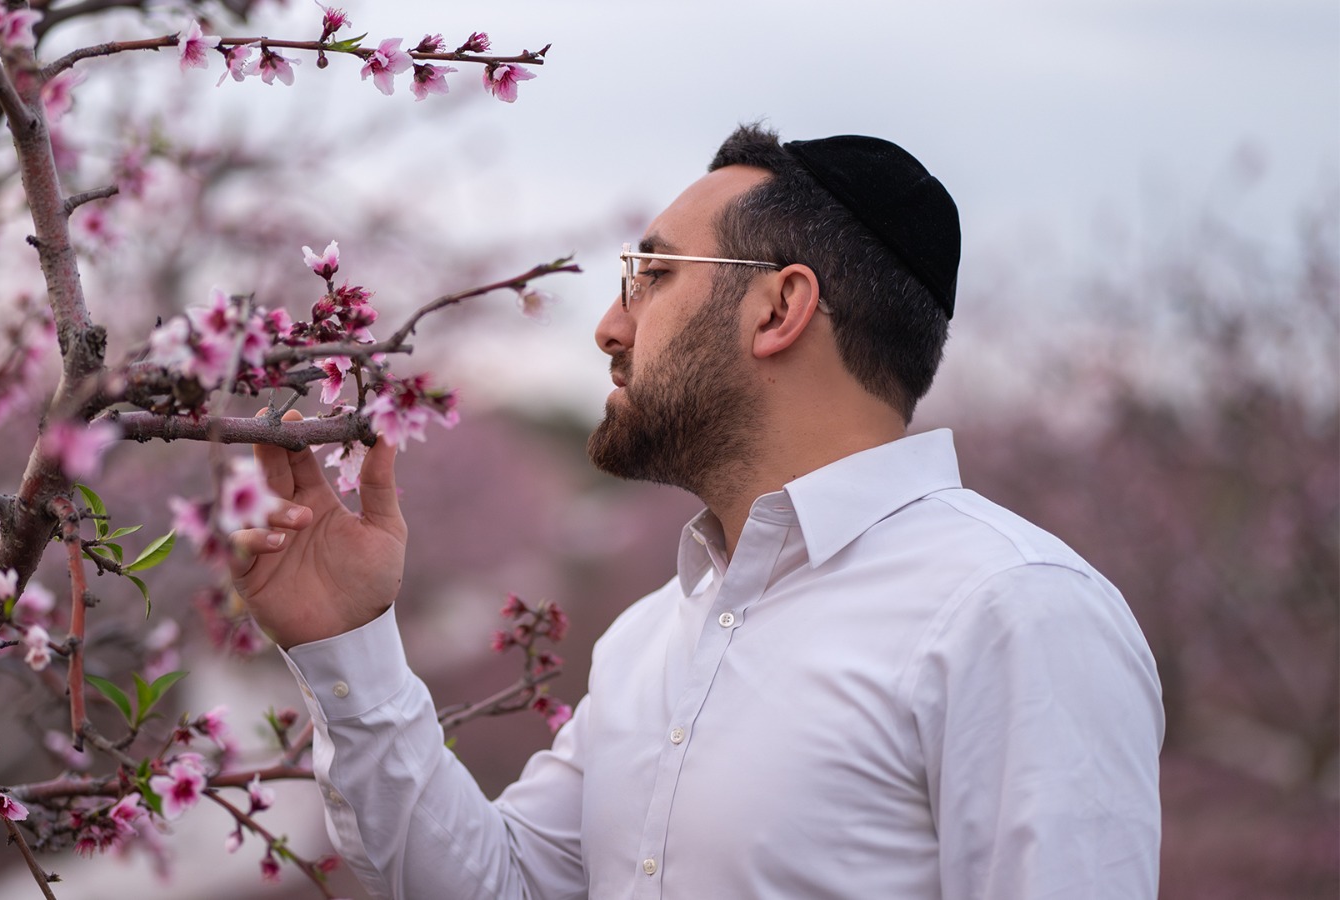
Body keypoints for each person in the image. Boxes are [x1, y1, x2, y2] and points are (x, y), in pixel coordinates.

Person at [229, 124, 1165, 899]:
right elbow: (500, 885)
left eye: (652, 274)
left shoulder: (1014, 612)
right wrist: (348, 644)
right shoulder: (651, 640)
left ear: (778, 309)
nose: (608, 324)